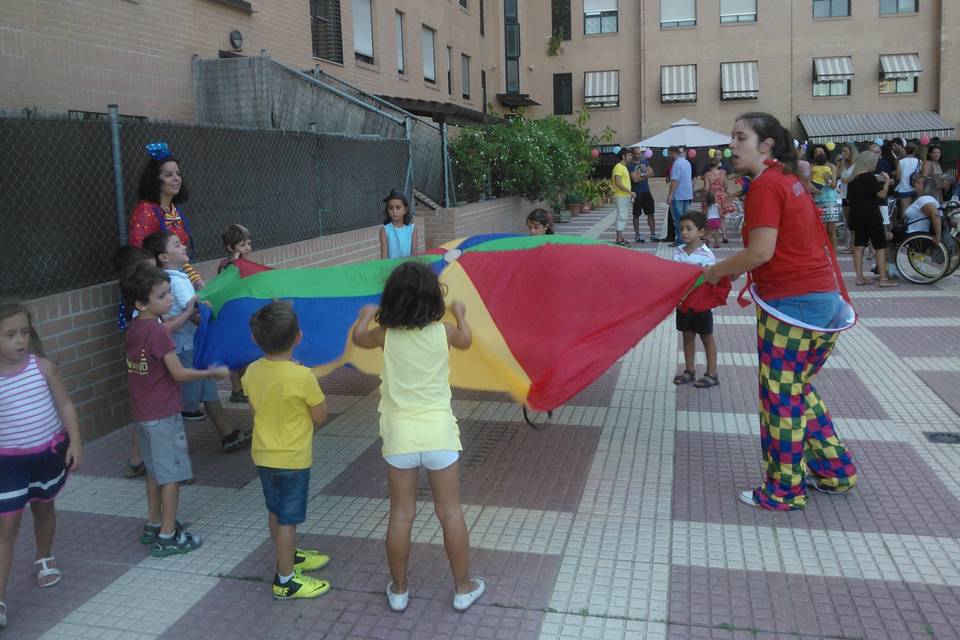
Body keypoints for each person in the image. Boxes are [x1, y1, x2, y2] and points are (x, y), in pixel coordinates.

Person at [703, 112, 857, 511]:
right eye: (731, 137)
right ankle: (835, 471)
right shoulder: (787, 180)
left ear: (766, 143)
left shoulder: (768, 186)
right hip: (822, 304)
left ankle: (784, 490)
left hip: (792, 308)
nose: (731, 145)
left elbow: (760, 253)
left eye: (740, 137)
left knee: (780, 399)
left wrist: (714, 272)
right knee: (798, 390)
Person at [351, 262, 484, 613]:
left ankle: (398, 589)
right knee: (450, 512)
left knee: (401, 514)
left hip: (400, 438)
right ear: (433, 298)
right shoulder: (446, 332)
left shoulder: (384, 334)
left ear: (391, 300)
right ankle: (463, 587)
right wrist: (460, 314)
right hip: (440, 434)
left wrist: (366, 315)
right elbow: (467, 340)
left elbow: (357, 338)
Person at [119, 264, 229, 556]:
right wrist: (209, 374)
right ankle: (168, 535)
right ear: (142, 303)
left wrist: (186, 307)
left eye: (169, 293)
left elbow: (159, 336)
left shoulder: (135, 329)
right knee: (172, 475)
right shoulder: (158, 334)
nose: (169, 299)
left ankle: (154, 522)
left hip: (143, 416)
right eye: (162, 296)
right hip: (163, 416)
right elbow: (179, 374)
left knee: (155, 471)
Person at [0, 300, 84, 630]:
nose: (20, 341)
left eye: (24, 332)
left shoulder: (43, 367)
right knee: (6, 527)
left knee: (44, 508)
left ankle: (44, 556)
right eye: (9, 335)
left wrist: (76, 442)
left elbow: (65, 403)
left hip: (48, 454)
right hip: (8, 463)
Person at [242, 301, 332, 600]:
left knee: (275, 509)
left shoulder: (251, 372)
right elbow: (320, 416)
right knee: (288, 519)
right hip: (292, 459)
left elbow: (256, 406)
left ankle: (288, 554)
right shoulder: (302, 376)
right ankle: (286, 579)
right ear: (298, 337)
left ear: (255, 338)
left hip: (264, 454)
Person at [142, 231, 250, 451]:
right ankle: (163, 449)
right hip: (187, 346)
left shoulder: (179, 276)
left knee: (208, 391)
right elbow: (192, 313)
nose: (183, 246)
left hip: (193, 343)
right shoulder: (174, 281)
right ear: (163, 256)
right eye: (176, 244)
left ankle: (227, 434)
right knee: (185, 402)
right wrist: (217, 327)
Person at [127, 142, 204, 289]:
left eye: (178, 174)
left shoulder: (174, 210)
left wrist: (195, 278)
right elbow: (140, 256)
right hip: (154, 287)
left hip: (176, 281)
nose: (176, 179)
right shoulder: (145, 211)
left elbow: (178, 254)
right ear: (156, 180)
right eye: (169, 175)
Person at [113, 245, 158, 479]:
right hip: (148, 365)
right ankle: (151, 461)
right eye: (150, 270)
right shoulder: (139, 304)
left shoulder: (131, 297)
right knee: (152, 413)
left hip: (140, 364)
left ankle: (136, 460)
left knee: (145, 411)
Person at [671, 211, 718, 388]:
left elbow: (710, 280)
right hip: (683, 305)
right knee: (687, 336)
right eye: (681, 228)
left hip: (702, 306)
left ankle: (712, 373)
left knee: (707, 337)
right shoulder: (678, 252)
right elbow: (674, 276)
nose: (683, 232)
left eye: (688, 229)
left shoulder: (707, 255)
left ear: (701, 232)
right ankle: (689, 371)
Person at [847, 150, 897, 286]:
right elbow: (881, 194)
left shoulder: (852, 179)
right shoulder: (869, 177)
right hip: (872, 216)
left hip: (856, 216)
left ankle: (859, 277)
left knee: (859, 246)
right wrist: (886, 181)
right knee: (880, 246)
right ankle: (883, 279)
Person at [218, 224, 253, 403]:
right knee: (235, 354)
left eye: (248, 243)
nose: (247, 248)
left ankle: (244, 388)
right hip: (232, 317)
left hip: (244, 314)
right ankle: (238, 389)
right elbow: (225, 284)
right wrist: (235, 261)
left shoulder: (248, 264)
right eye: (242, 245)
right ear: (231, 248)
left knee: (245, 354)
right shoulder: (227, 266)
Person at [810, 146, 841, 248]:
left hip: (830, 200)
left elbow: (833, 186)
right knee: (818, 230)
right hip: (816, 200)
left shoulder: (832, 166)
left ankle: (834, 256)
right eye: (816, 152)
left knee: (831, 230)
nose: (818, 153)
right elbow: (807, 184)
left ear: (825, 153)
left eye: (820, 151)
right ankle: (821, 254)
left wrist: (827, 179)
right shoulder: (811, 167)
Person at [699, 156, 735, 244]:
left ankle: (708, 237)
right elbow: (726, 187)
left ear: (709, 165)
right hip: (721, 196)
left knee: (710, 216)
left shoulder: (707, 175)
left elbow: (706, 188)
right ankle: (724, 236)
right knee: (722, 217)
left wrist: (700, 192)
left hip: (711, 197)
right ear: (718, 164)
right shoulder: (723, 173)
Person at [628, 146, 657, 242]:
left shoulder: (644, 162)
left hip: (646, 191)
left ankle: (653, 235)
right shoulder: (630, 165)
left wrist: (641, 175)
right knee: (636, 215)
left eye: (640, 153)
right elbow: (635, 179)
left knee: (651, 213)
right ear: (632, 154)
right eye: (637, 153)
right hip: (637, 193)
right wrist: (645, 175)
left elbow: (652, 173)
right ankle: (638, 235)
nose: (639, 155)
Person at [667, 146, 694, 246]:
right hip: (687, 194)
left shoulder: (677, 163)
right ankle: (687, 239)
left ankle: (680, 240)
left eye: (669, 153)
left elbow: (675, 181)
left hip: (678, 195)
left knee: (678, 219)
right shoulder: (687, 162)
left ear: (673, 152)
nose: (669, 156)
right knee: (686, 219)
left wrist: (670, 195)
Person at [380, 190, 419, 259]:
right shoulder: (384, 230)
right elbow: (384, 259)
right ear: (387, 210)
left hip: (408, 268)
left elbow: (415, 256)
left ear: (405, 210)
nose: (394, 211)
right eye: (391, 208)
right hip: (392, 268)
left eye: (398, 208)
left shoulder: (412, 229)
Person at [903, 173, 943, 240]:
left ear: (925, 187)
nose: (915, 184)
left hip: (916, 236)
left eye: (919, 183)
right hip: (913, 233)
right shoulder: (927, 199)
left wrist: (938, 236)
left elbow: (935, 213)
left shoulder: (924, 199)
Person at [610, 147, 635, 246]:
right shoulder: (619, 167)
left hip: (625, 196)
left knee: (623, 216)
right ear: (623, 156)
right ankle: (619, 239)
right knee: (622, 216)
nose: (630, 157)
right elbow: (618, 183)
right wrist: (630, 192)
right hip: (621, 196)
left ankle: (620, 237)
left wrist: (630, 193)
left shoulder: (624, 167)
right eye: (629, 155)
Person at [836, 145, 857, 253]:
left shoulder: (856, 165)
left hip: (853, 195)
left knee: (853, 221)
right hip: (844, 195)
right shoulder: (844, 164)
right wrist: (840, 164)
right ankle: (850, 244)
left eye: (845, 151)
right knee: (848, 221)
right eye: (842, 151)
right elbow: (837, 175)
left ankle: (853, 244)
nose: (843, 153)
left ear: (851, 152)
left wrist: (845, 179)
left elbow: (852, 178)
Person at [894, 142, 921, 216]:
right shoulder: (919, 162)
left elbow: (898, 177)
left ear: (905, 150)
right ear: (915, 151)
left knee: (905, 210)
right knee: (916, 210)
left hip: (904, 188)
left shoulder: (901, 162)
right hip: (915, 188)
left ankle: (905, 226)